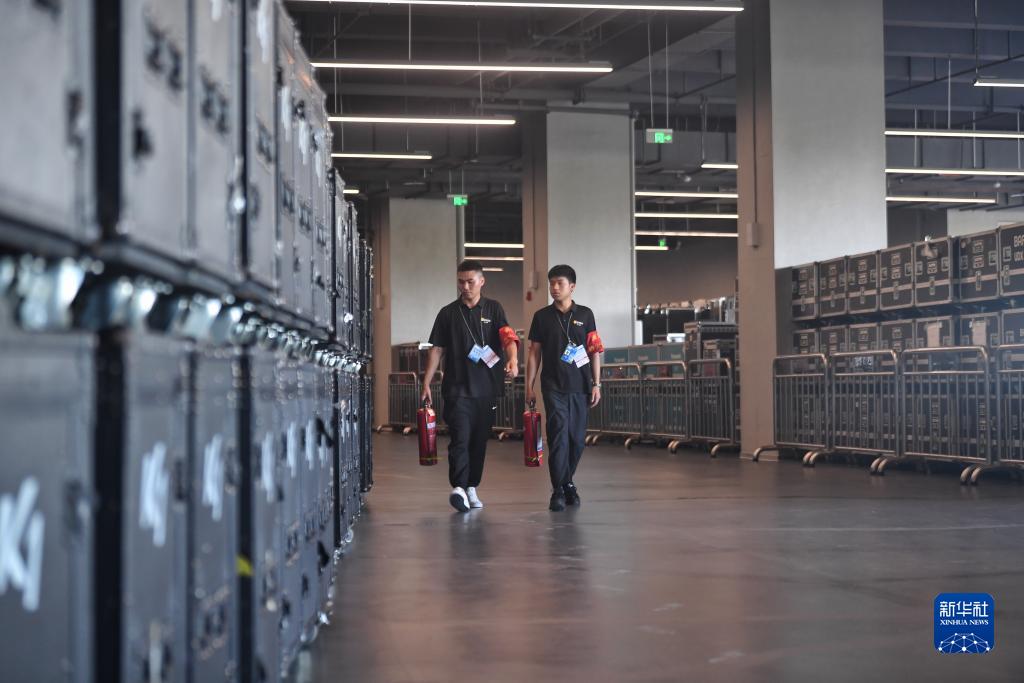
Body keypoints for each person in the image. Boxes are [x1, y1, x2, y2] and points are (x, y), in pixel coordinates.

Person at [421, 259, 520, 512]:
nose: (465, 287)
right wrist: (426, 382)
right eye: (461, 282)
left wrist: (513, 359)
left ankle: (471, 486)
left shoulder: (494, 309)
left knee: (478, 441)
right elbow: (436, 349)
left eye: (470, 282)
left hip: (487, 389)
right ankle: (458, 487)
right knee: (460, 438)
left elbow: (508, 338)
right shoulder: (447, 313)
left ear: (481, 281)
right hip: (457, 389)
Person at [526, 264, 604, 512]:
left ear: (572, 286)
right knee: (559, 434)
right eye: (551, 283)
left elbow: (594, 351)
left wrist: (596, 384)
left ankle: (567, 481)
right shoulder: (541, 317)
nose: (554, 288)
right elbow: (534, 353)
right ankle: (558, 489)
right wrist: (529, 386)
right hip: (553, 386)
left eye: (559, 283)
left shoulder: (586, 315)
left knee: (577, 439)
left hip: (580, 386)